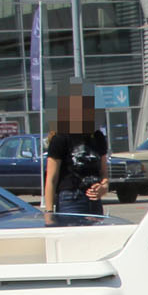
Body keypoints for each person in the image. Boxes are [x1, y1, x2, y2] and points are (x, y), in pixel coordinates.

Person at [43, 88, 108, 224]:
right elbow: (51, 179)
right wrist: (49, 212)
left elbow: (104, 173)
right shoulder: (61, 137)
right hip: (70, 200)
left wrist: (104, 187)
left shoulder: (98, 137)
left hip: (94, 201)